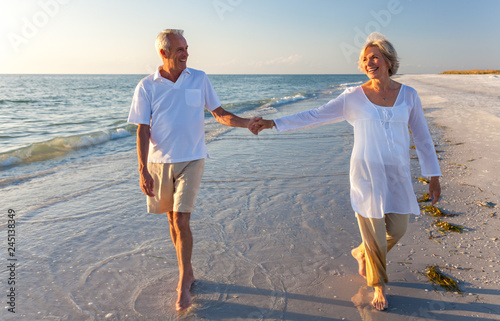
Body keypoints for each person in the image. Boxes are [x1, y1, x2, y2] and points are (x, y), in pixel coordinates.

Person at [250, 32, 441, 311]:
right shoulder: (353, 97)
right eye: (364, 59)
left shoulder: (409, 95)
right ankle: (379, 287)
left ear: (388, 60)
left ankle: (361, 252)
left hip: (397, 175)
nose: (368, 62)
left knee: (398, 228)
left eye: (374, 57)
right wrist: (273, 123)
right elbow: (314, 115)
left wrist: (434, 177)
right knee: (374, 232)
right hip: (366, 174)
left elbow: (422, 138)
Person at [128, 29, 259, 312]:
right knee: (172, 221)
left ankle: (183, 280)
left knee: (182, 219)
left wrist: (246, 122)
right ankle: (186, 268)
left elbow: (219, 113)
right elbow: (142, 130)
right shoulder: (146, 86)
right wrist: (142, 170)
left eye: (186, 48)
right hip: (158, 162)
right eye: (179, 49)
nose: (186, 53)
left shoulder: (198, 78)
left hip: (193, 158)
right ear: (163, 53)